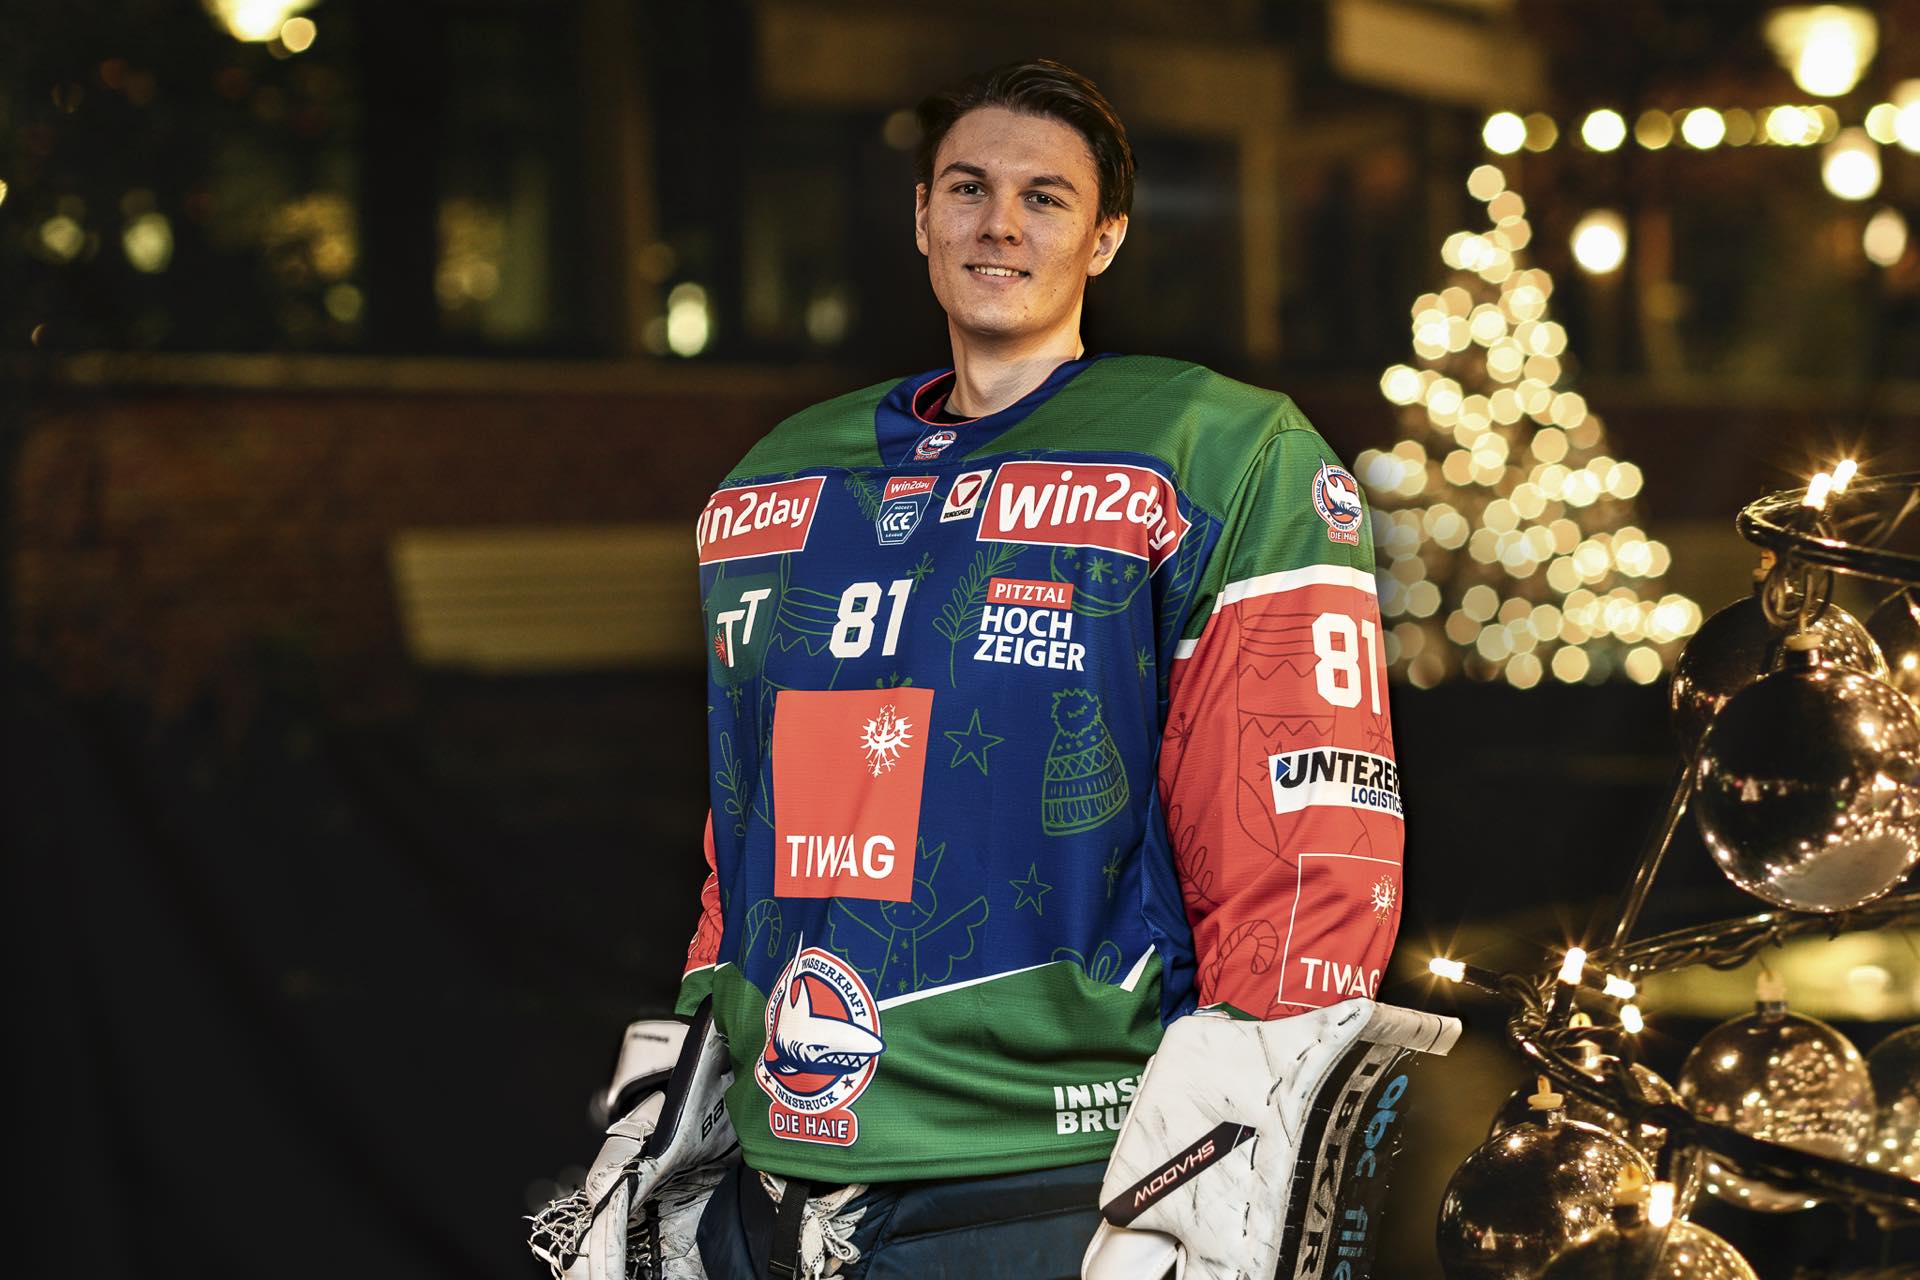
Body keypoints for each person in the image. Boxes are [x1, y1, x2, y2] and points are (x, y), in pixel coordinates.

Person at [531, 58, 1457, 1280]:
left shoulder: (1220, 452)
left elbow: (1298, 827)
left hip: (1056, 1169)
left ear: (1106, 235)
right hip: (777, 1159)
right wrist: (701, 1047)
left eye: (1046, 197)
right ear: (922, 217)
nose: (1000, 223)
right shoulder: (777, 478)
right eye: (967, 188)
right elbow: (746, 824)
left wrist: (1247, 1140)